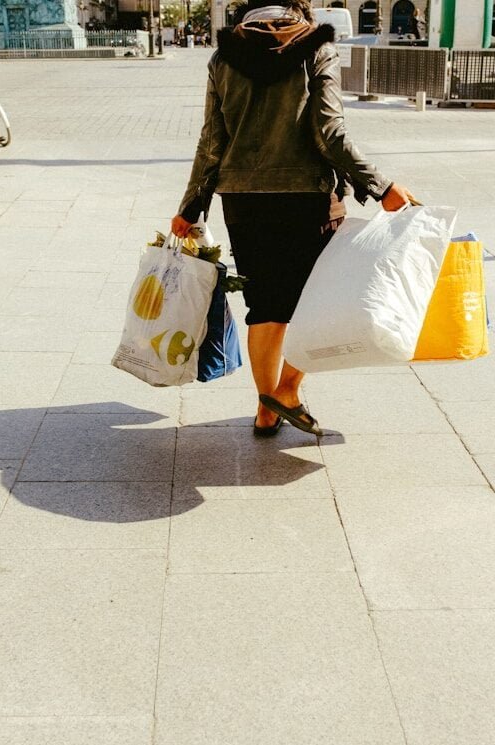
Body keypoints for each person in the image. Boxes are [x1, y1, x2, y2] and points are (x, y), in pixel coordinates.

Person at [171, 0, 411, 436]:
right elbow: (329, 130)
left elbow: (212, 140)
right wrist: (382, 186)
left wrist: (191, 207)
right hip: (308, 199)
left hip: (243, 200)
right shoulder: (315, 47)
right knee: (316, 303)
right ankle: (285, 392)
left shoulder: (223, 55)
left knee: (265, 307)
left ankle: (266, 411)